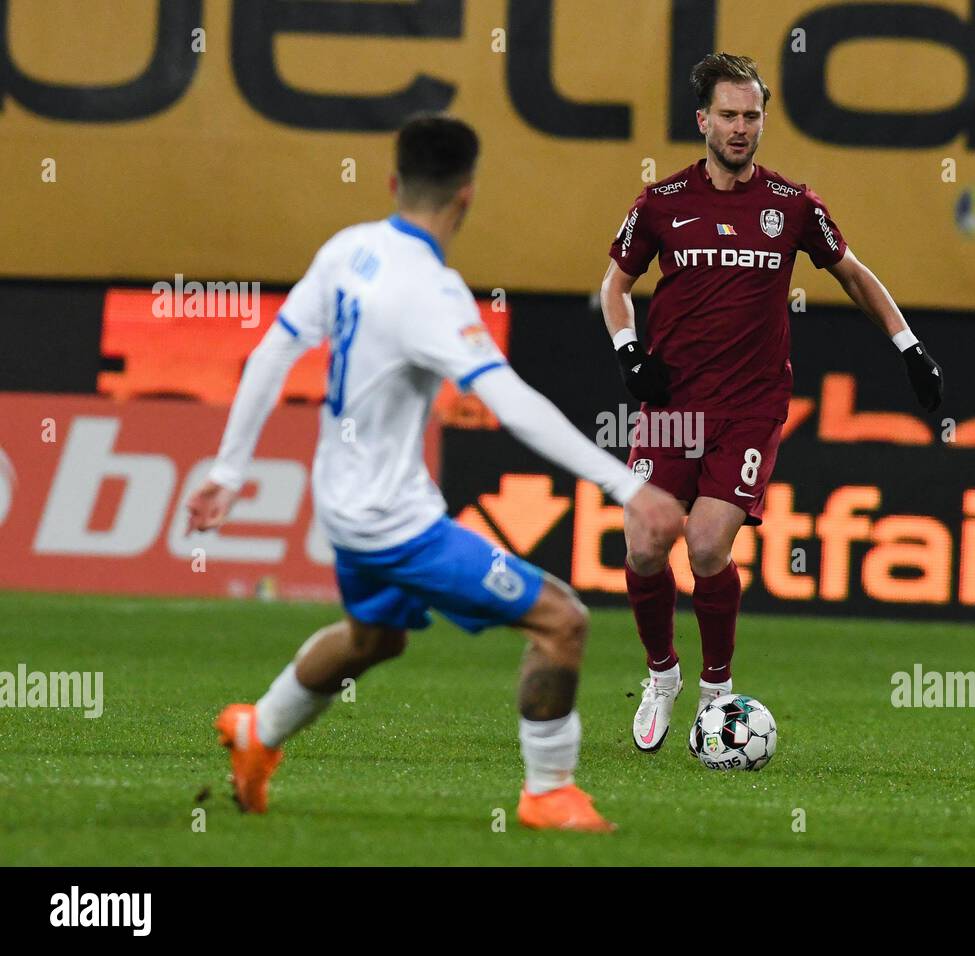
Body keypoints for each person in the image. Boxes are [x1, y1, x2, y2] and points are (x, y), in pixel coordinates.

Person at [188, 113, 683, 832]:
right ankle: (548, 793)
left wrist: (229, 471)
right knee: (561, 621)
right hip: (392, 521)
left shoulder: (347, 250)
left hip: (343, 504)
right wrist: (629, 485)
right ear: (468, 195)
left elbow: (272, 351)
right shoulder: (432, 290)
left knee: (374, 640)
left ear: (393, 182)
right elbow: (509, 400)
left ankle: (257, 732)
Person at [599, 54, 944, 752]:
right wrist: (629, 354)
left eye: (751, 115)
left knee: (704, 545)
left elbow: (851, 272)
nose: (740, 127)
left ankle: (718, 690)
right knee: (642, 547)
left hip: (751, 407)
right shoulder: (661, 202)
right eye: (727, 115)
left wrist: (909, 345)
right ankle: (662, 674)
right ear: (703, 120)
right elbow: (614, 287)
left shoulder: (791, 205)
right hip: (673, 408)